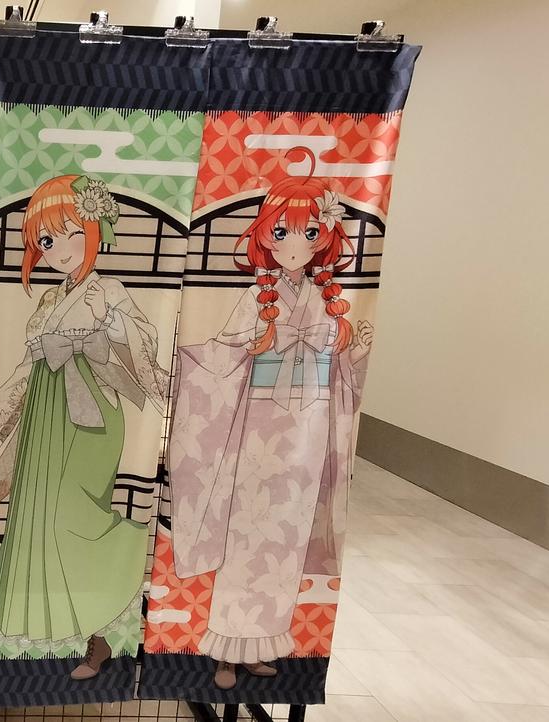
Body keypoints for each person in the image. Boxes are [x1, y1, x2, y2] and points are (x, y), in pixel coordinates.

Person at [168, 148, 373, 690]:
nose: (294, 245)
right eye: (282, 232)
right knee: (249, 531)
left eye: (309, 233)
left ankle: (266, 641)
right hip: (258, 426)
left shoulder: (329, 302)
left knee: (287, 533)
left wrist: (355, 349)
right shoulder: (258, 299)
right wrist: (198, 355)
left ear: (325, 238)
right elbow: (222, 357)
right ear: (265, 236)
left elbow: (343, 371)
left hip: (308, 431)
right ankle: (227, 649)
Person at [0, 174, 169, 680]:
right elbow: (29, 366)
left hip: (91, 415)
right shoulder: (48, 302)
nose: (58, 249)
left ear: (95, 229)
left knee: (77, 517)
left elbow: (143, 344)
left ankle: (102, 624)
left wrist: (113, 325)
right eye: (46, 240)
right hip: (45, 412)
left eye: (70, 233)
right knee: (41, 517)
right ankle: (67, 630)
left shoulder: (109, 290)